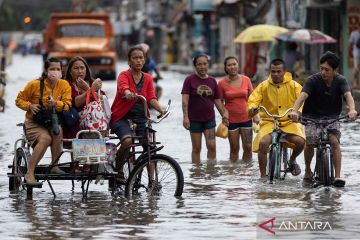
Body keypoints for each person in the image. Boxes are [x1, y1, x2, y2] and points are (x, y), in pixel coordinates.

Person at [289, 51, 357, 187]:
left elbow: (348, 96)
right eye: (321, 68)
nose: (323, 72)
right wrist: (295, 111)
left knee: (335, 142)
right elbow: (302, 96)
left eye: (327, 70)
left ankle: (337, 177)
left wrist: (352, 110)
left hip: (332, 117)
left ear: (334, 70)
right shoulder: (312, 80)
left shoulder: (341, 80)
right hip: (312, 117)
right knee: (310, 142)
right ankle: (308, 170)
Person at [110, 46, 165, 184]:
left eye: (141, 58)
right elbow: (123, 87)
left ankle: (152, 180)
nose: (138, 61)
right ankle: (118, 169)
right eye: (135, 58)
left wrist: (161, 110)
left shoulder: (147, 78)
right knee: (127, 141)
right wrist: (128, 94)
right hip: (122, 117)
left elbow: (151, 98)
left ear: (144, 60)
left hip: (141, 118)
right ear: (129, 61)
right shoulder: (124, 75)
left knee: (150, 148)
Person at [15, 58, 72, 185]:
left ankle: (55, 166)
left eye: (58, 69)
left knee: (57, 131)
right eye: (52, 69)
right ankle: (30, 173)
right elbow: (18, 100)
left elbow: (67, 105)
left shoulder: (64, 85)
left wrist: (56, 104)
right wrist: (30, 106)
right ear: (46, 71)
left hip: (52, 120)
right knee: (46, 139)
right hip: (34, 122)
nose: (55, 72)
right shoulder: (34, 85)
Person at [247, 58, 305, 178]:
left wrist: (297, 113)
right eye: (273, 71)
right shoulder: (263, 86)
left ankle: (292, 160)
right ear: (270, 71)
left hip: (289, 121)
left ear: (284, 72)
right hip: (269, 121)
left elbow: (302, 101)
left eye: (279, 71)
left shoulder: (294, 86)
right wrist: (252, 109)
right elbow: (253, 99)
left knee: (300, 141)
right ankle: (263, 175)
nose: (275, 74)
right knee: (263, 143)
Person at [181, 54, 228, 164]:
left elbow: (217, 101)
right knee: (197, 148)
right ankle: (197, 173)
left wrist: (224, 115)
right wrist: (185, 117)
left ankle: (210, 171)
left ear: (208, 65)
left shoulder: (212, 81)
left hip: (209, 120)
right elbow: (184, 101)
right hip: (194, 120)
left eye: (205, 64)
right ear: (195, 66)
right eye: (199, 64)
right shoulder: (189, 80)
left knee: (212, 146)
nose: (202, 67)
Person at [218, 56, 255, 162]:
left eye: (234, 64)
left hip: (246, 117)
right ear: (226, 68)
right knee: (234, 149)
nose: (232, 67)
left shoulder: (246, 80)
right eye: (229, 65)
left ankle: (246, 172)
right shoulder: (221, 83)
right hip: (231, 120)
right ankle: (234, 174)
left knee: (248, 147)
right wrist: (223, 113)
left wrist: (255, 113)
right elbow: (219, 101)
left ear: (238, 65)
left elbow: (252, 98)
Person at [63, 56, 103, 140]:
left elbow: (100, 99)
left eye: (82, 68)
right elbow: (76, 102)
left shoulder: (93, 82)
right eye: (76, 68)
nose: (80, 71)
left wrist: (87, 88)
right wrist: (91, 89)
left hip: (94, 122)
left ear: (86, 70)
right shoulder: (67, 85)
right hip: (74, 122)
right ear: (70, 71)